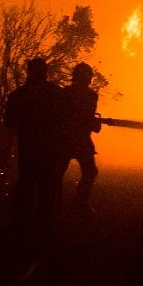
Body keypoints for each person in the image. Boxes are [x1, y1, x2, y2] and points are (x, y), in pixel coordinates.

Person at [3, 57, 64, 232]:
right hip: (49, 149)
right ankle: (44, 226)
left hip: (27, 147)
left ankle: (19, 224)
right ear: (45, 72)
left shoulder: (18, 95)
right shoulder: (55, 93)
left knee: (26, 184)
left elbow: (8, 122)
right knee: (47, 187)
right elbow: (65, 120)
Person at [59, 62, 101, 214]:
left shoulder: (65, 93)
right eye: (88, 76)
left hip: (68, 139)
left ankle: (57, 203)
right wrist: (93, 124)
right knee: (90, 171)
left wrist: (92, 123)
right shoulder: (90, 95)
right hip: (77, 139)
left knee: (58, 173)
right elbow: (82, 117)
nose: (89, 79)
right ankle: (79, 203)